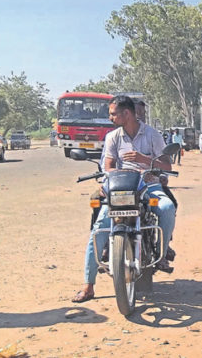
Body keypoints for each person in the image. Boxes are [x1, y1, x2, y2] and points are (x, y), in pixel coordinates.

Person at [72, 96, 176, 303]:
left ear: (126, 114)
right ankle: (88, 285)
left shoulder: (152, 135)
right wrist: (110, 178)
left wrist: (143, 160)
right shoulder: (113, 137)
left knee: (166, 207)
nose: (109, 117)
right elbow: (108, 165)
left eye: (112, 113)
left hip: (148, 185)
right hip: (121, 188)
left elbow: (167, 166)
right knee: (100, 226)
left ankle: (161, 254)